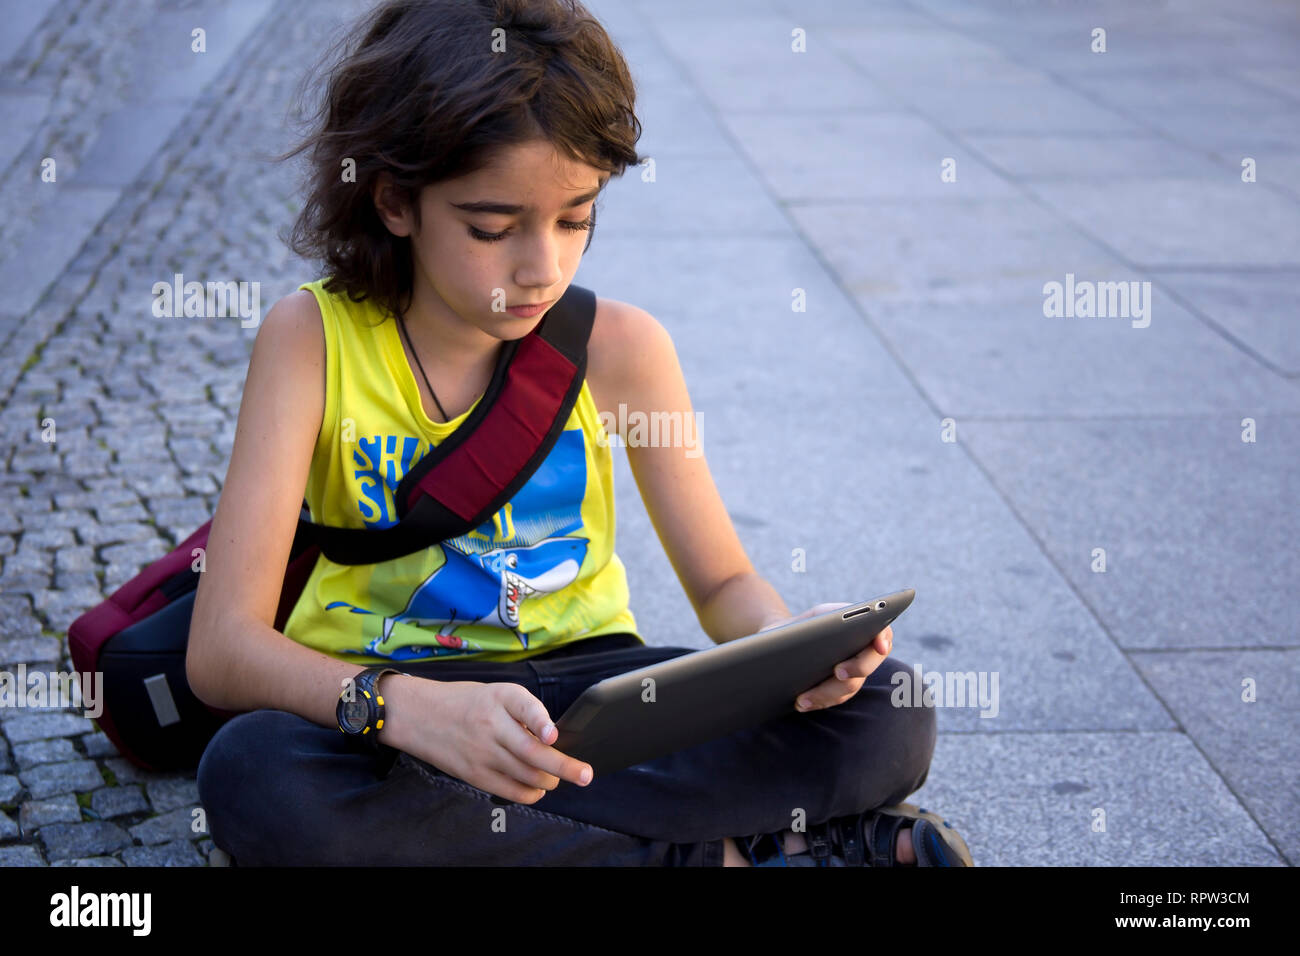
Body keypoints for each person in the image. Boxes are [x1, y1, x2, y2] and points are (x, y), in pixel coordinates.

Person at [187, 0, 972, 867]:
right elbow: (223, 648)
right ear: (395, 201)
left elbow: (722, 581)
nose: (543, 267)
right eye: (493, 228)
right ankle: (756, 851)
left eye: (575, 217)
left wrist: (794, 653)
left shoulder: (623, 349)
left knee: (887, 712)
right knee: (257, 774)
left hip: (597, 700)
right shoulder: (311, 344)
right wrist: (404, 708)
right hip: (396, 719)